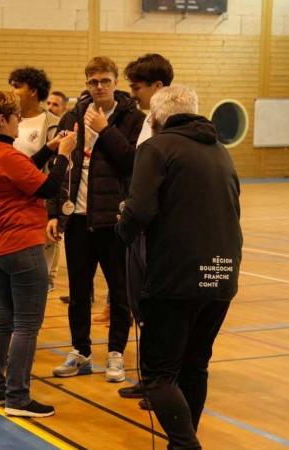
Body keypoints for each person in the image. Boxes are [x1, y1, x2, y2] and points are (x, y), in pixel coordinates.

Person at [116, 85, 242, 450]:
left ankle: (186, 446)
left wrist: (122, 230)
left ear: (155, 118)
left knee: (157, 375)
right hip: (222, 274)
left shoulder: (155, 148)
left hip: (175, 277)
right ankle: (182, 443)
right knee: (194, 365)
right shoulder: (220, 150)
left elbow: (138, 210)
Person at [0, 87, 75, 418]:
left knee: (3, 318)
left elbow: (22, 175)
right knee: (27, 324)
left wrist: (46, 151)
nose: (20, 121)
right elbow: (46, 187)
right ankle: (18, 397)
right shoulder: (9, 155)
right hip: (21, 245)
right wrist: (64, 155)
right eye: (16, 116)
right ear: (3, 119)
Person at [49, 56, 145, 383]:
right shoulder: (74, 115)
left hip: (113, 219)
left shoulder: (134, 118)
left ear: (115, 82)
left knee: (120, 291)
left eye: (105, 80)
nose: (99, 87)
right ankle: (81, 351)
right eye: (93, 81)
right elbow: (61, 166)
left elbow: (132, 162)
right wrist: (55, 212)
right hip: (77, 218)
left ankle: (116, 353)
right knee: (78, 290)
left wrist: (105, 132)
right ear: (87, 84)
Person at [117, 52, 175, 402]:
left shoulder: (172, 128)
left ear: (158, 86)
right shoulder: (146, 121)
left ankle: (164, 383)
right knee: (142, 307)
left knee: (159, 310)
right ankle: (151, 377)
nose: (133, 94)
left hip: (160, 234)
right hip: (141, 226)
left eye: (137, 87)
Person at [7, 67, 61, 292]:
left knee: (34, 283)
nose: (12, 90)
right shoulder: (7, 120)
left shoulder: (52, 123)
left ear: (33, 91)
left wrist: (54, 211)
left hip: (38, 207)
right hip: (8, 208)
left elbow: (57, 169)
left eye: (17, 86)